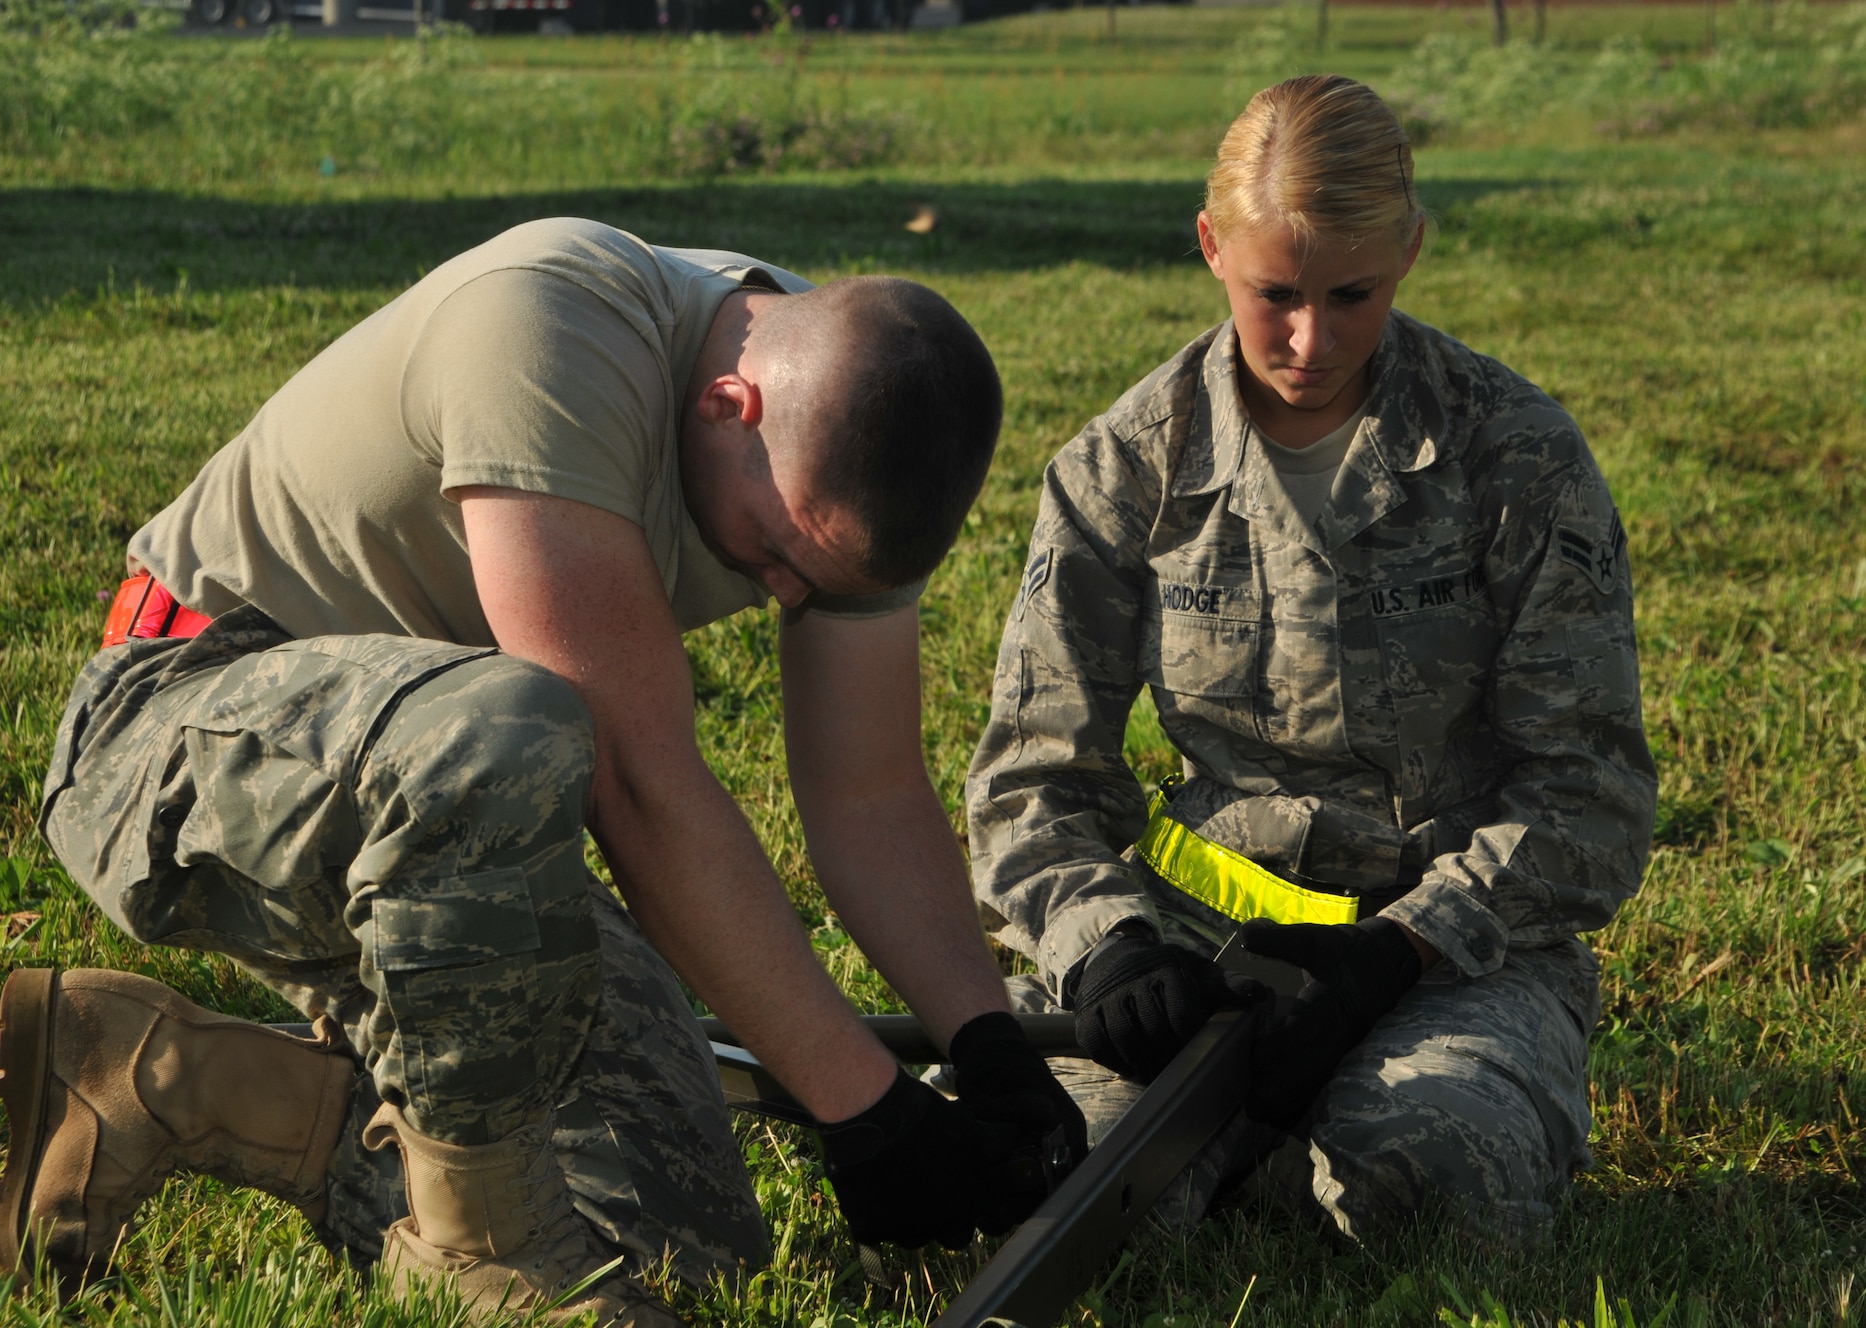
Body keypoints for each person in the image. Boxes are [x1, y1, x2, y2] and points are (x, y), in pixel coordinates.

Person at [4, 217, 1085, 1325]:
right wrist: (864, 1107)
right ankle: (480, 1249)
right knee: (517, 724)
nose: (792, 599)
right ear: (730, 405)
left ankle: (160, 1081)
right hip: (174, 727)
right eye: (777, 558)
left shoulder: (853, 426)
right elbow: (633, 786)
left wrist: (985, 1041)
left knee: (672, 1232)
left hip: (441, 806)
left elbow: (866, 795)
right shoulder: (549, 324)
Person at [965, 76, 1656, 1240]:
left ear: (1411, 251)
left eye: (1353, 295)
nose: (1310, 339)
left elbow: (1588, 793)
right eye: (1272, 294)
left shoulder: (1512, 455)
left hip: (1443, 953)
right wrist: (1108, 950)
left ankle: (1297, 1152)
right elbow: (1033, 782)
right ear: (1207, 248)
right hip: (1199, 950)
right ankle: (1247, 1157)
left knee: (1440, 1177)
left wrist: (1397, 949)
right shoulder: (1121, 468)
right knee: (1044, 1177)